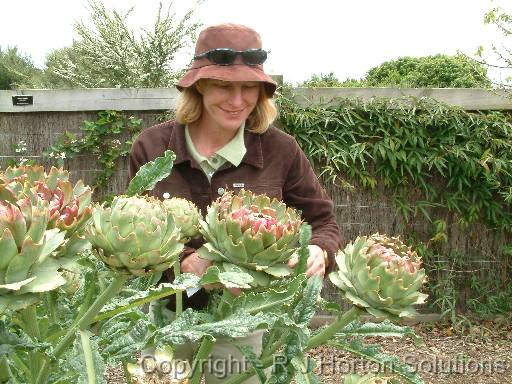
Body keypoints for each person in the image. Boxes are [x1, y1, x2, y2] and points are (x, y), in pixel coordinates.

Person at [128, 23, 342, 383]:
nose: (238, 100)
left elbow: (324, 223)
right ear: (199, 86)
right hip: (168, 319)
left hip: (249, 323)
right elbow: (134, 239)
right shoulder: (151, 148)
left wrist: (320, 251)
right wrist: (186, 270)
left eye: (249, 88)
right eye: (224, 86)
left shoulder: (281, 150)